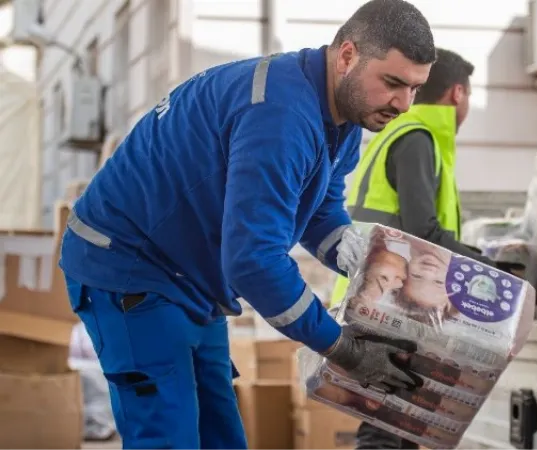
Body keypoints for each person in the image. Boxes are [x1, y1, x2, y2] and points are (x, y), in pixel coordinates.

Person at [58, 0, 435, 448]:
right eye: (393, 83)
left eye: (415, 89)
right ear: (348, 56)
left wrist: (351, 254)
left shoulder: (344, 116)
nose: (404, 104)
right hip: (129, 268)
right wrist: (343, 348)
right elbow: (253, 262)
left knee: (222, 436)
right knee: (170, 437)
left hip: (190, 279)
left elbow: (318, 209)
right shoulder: (282, 115)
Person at [328, 48, 497, 450]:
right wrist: (490, 267)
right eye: (469, 97)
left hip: (386, 297)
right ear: (457, 94)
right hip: (388, 302)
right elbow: (425, 231)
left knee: (399, 425)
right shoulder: (418, 139)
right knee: (385, 427)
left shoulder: (405, 134)